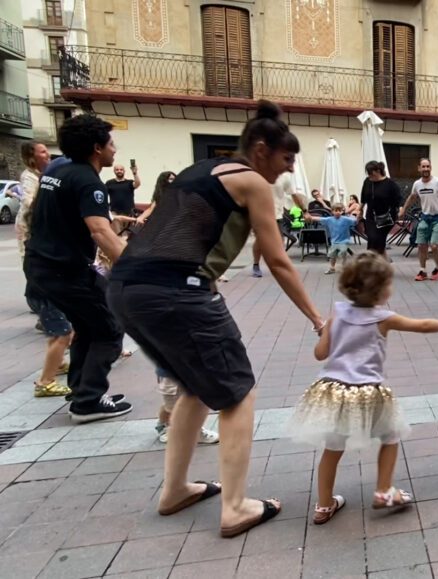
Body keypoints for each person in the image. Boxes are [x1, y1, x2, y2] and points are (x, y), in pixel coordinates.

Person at [107, 101, 326, 537]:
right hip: (178, 293)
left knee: (195, 387)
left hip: (126, 290)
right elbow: (279, 261)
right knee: (237, 393)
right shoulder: (251, 181)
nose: (286, 171)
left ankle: (174, 491)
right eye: (286, 160)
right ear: (261, 149)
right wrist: (319, 320)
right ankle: (236, 507)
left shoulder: (201, 169)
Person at [288, 252, 438, 524]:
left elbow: (320, 354)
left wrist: (325, 333)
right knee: (391, 436)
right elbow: (422, 325)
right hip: (368, 391)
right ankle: (383, 491)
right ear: (381, 292)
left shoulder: (337, 315)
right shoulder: (383, 318)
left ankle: (323, 505)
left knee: (333, 447)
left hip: (333, 391)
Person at [24, 115, 131, 423]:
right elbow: (100, 231)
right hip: (63, 270)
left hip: (45, 264)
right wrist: (137, 267)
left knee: (89, 324)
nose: (115, 150)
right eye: (111, 144)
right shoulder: (87, 180)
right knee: (110, 327)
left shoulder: (58, 170)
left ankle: (82, 390)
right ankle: (88, 401)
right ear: (97, 148)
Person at [16, 141, 72, 399]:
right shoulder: (31, 183)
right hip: (46, 277)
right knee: (63, 333)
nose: (46, 154)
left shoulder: (42, 181)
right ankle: (45, 382)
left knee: (59, 331)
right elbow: (30, 206)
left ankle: (57, 364)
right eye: (41, 151)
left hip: (42, 276)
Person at [399, 158, 438, 281]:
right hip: (425, 217)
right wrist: (403, 210)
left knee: (434, 245)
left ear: (431, 167)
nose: (426, 169)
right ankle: (422, 271)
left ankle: (437, 268)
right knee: (421, 245)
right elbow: (412, 197)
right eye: (423, 167)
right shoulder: (417, 184)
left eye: (428, 166)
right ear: (419, 168)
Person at [252, 171, 305, 277]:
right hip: (260, 214)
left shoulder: (284, 177)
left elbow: (294, 195)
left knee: (280, 241)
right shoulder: (257, 173)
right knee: (260, 240)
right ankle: (256, 264)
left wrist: (305, 210)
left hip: (277, 214)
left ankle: (278, 265)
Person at [359, 161, 403, 256]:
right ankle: (380, 264)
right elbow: (363, 197)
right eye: (368, 173)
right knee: (372, 238)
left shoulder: (391, 184)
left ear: (378, 171)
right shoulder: (367, 181)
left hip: (386, 217)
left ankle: (373, 264)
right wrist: (360, 211)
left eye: (371, 173)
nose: (369, 175)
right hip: (371, 216)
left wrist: (400, 211)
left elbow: (399, 200)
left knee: (378, 239)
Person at [16, 141, 51, 257]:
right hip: (29, 227)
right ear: (32, 157)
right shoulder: (28, 177)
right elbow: (29, 202)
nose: (48, 154)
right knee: (31, 260)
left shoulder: (45, 173)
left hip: (41, 226)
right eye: (43, 152)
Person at [307, 203, 357, 274]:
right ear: (332, 211)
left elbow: (355, 221)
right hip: (334, 242)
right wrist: (310, 217)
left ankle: (344, 268)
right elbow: (319, 219)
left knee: (342, 253)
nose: (338, 212)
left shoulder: (346, 220)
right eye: (336, 210)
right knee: (332, 256)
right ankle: (332, 268)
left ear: (342, 211)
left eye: (339, 211)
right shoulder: (329, 219)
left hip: (344, 241)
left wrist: (358, 216)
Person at [105, 162, 141, 233]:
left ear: (124, 171)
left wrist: (135, 173)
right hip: (114, 213)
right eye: (117, 170)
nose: (119, 171)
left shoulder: (129, 182)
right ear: (114, 171)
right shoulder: (109, 183)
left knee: (128, 234)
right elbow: (104, 194)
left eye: (121, 169)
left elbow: (137, 184)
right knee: (118, 233)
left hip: (129, 213)